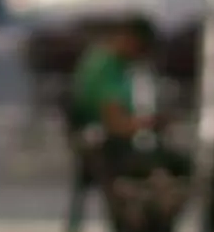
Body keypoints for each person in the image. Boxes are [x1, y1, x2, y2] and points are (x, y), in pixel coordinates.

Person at [68, 15, 158, 145]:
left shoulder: (99, 57)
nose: (140, 57)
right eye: (142, 50)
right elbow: (115, 124)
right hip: (107, 143)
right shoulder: (107, 66)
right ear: (133, 41)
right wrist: (149, 124)